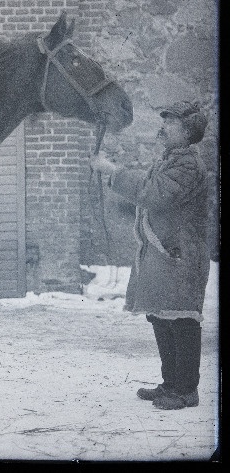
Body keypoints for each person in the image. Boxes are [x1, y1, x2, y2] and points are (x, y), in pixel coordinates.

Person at [90, 101, 210, 410]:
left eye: (170, 123)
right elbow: (149, 186)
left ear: (187, 132)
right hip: (164, 252)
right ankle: (170, 384)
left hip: (180, 254)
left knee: (182, 320)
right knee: (160, 315)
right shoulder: (171, 158)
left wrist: (115, 172)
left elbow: (153, 194)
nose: (163, 126)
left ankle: (186, 390)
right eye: (165, 120)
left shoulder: (187, 164)